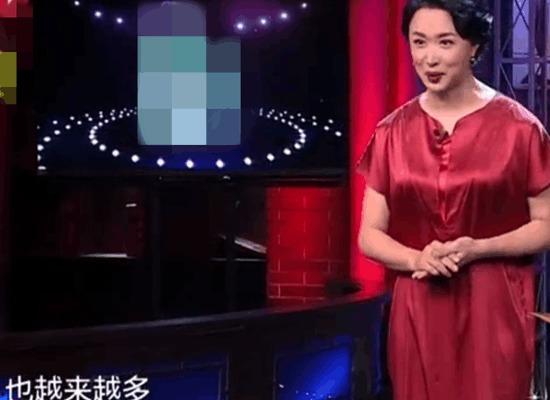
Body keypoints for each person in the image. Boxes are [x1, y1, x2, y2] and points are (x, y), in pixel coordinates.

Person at [356, 1, 550, 399]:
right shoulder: (391, 132)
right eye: (419, 42)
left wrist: (479, 248)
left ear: (474, 45)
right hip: (418, 303)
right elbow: (369, 235)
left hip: (495, 303)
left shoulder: (521, 129)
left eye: (445, 42)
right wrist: (416, 259)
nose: (429, 58)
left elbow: (546, 224)